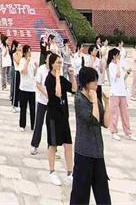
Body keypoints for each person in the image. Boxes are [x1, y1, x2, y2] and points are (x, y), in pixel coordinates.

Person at [69, 66, 111, 205]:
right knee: (80, 195)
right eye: (94, 81)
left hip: (98, 152)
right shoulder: (79, 99)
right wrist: (93, 102)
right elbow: (94, 120)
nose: (96, 84)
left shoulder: (95, 99)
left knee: (103, 194)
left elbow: (106, 123)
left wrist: (107, 103)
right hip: (84, 152)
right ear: (86, 83)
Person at [44, 53, 76, 186]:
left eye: (61, 63)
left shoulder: (62, 79)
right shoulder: (49, 79)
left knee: (68, 144)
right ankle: (52, 172)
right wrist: (57, 77)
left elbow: (74, 89)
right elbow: (57, 93)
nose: (60, 65)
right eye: (58, 62)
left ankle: (70, 172)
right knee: (53, 145)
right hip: (53, 117)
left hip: (64, 116)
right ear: (52, 64)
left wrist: (72, 76)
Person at [107, 47, 136, 141]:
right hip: (115, 93)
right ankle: (113, 132)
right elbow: (117, 75)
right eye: (118, 55)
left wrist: (127, 72)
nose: (120, 56)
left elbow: (122, 78)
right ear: (114, 56)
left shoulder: (119, 65)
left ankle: (128, 133)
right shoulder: (111, 65)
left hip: (122, 92)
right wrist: (118, 64)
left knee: (125, 114)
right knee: (114, 114)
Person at [31, 50, 49, 155]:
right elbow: (38, 84)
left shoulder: (56, 70)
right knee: (39, 123)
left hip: (52, 103)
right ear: (45, 59)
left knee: (52, 125)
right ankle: (34, 145)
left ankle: (52, 148)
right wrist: (47, 94)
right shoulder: (41, 69)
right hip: (42, 100)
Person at [19, 44, 37, 132]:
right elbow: (24, 72)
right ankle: (22, 125)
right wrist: (27, 62)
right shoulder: (22, 61)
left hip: (32, 88)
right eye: (28, 52)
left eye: (30, 51)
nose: (30, 53)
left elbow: (34, 74)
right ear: (24, 53)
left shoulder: (33, 60)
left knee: (33, 108)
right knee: (23, 107)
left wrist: (36, 67)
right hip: (24, 87)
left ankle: (33, 125)